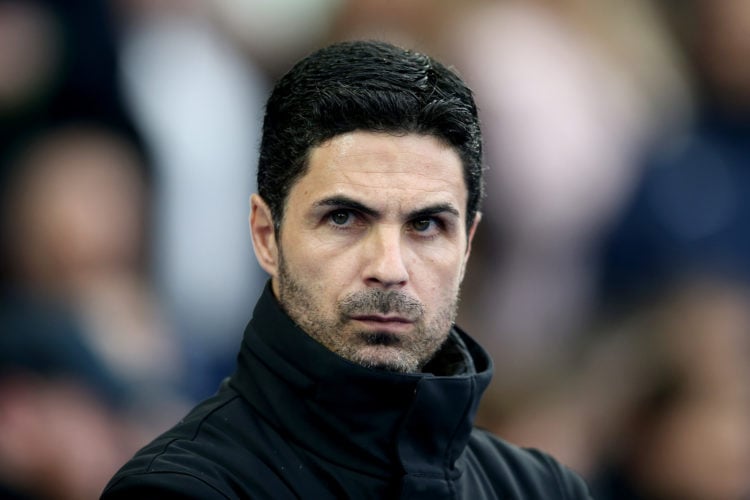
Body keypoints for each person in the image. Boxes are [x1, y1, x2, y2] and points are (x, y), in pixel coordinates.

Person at [102, 40, 592, 499]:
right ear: (266, 235)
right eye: (344, 218)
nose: (389, 268)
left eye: (426, 225)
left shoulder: (543, 488)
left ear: (467, 247)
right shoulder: (181, 491)